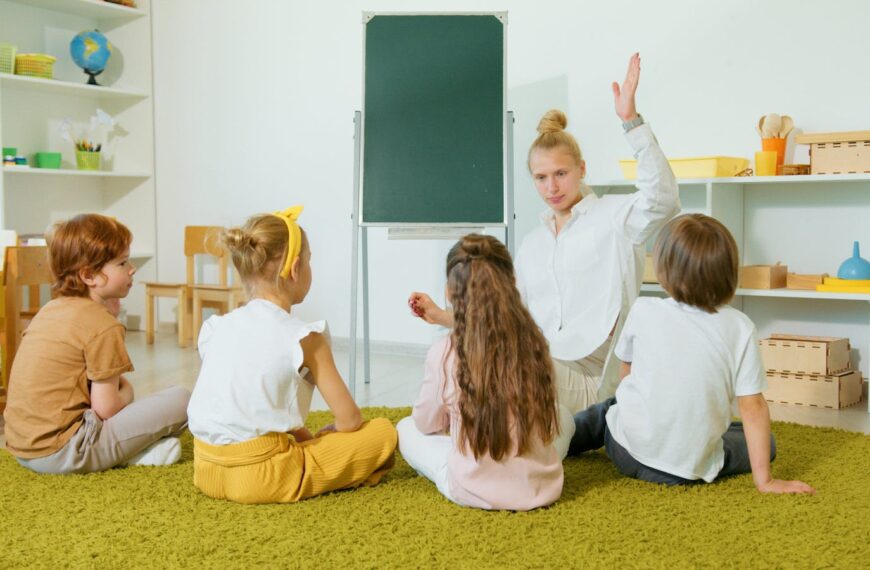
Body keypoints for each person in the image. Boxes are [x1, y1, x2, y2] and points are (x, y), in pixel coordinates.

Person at [409, 54, 680, 414]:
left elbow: (663, 199)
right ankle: (460, 440)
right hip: (536, 368)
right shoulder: (533, 244)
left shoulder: (614, 217)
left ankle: (464, 440)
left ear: (582, 169)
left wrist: (631, 122)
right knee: (462, 355)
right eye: (541, 177)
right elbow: (509, 316)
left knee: (485, 362)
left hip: (590, 383)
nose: (552, 187)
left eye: (561, 174)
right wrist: (447, 319)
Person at [568, 214, 815, 494]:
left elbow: (626, 373)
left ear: (663, 272)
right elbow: (752, 406)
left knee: (609, 409)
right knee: (764, 442)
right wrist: (765, 480)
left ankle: (559, 440)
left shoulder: (644, 309)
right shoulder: (740, 327)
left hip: (626, 452)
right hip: (688, 471)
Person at [187, 206, 397, 504]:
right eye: (310, 261)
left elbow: (247, 400)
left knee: (300, 441)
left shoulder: (216, 327)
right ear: (296, 269)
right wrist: (333, 435)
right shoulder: (305, 337)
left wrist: (301, 435)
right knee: (383, 432)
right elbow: (349, 420)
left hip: (206, 468)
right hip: (262, 478)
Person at [398, 234, 575, 511]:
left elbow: (425, 423)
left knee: (405, 428)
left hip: (471, 489)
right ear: (512, 282)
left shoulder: (444, 352)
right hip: (543, 488)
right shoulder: (535, 341)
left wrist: (451, 419)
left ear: (449, 292)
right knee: (564, 415)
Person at [3, 214, 190, 474]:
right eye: (122, 263)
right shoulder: (102, 325)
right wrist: (127, 392)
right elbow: (106, 408)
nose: (132, 269)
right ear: (89, 275)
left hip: (22, 449)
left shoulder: (50, 309)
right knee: (182, 399)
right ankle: (130, 454)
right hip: (65, 452)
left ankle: (134, 453)